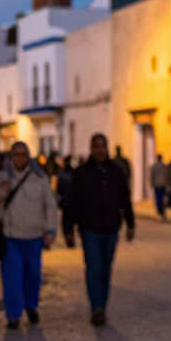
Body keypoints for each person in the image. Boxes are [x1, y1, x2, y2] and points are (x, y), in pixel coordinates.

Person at [0, 141, 58, 329]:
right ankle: (13, 314)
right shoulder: (1, 177)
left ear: (28, 156)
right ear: (11, 156)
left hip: (34, 237)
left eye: (23, 154)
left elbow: (50, 205)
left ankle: (31, 306)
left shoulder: (39, 178)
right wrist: (1, 192)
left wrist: (50, 229)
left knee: (33, 275)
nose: (20, 158)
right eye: (16, 154)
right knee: (12, 277)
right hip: (11, 237)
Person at [70, 134, 135, 325]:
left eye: (103, 146)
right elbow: (72, 202)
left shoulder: (116, 172)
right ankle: (96, 307)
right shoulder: (81, 173)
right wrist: (69, 227)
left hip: (111, 229)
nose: (100, 150)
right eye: (96, 146)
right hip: (89, 229)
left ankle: (102, 305)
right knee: (94, 268)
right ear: (91, 148)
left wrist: (130, 223)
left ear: (108, 148)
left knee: (106, 270)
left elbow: (125, 199)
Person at [56, 156, 76, 247]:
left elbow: (59, 188)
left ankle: (69, 237)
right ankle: (70, 237)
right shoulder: (74, 173)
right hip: (72, 201)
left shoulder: (62, 174)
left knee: (66, 221)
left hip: (66, 200)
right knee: (70, 221)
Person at [150, 153, 169, 219]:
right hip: (162, 184)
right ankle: (161, 210)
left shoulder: (155, 166)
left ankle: (160, 210)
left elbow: (152, 176)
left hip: (158, 184)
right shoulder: (164, 166)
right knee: (161, 198)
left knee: (159, 198)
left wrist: (152, 183)